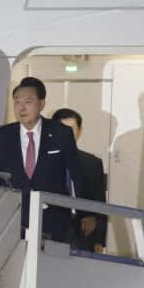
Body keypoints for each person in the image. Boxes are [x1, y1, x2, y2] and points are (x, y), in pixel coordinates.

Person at [0, 77, 82, 241]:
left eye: (28, 102)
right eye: (16, 102)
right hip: (14, 219)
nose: (21, 108)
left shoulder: (61, 133)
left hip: (54, 219)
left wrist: (86, 213)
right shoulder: (0, 136)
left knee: (51, 265)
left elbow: (77, 174)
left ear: (41, 104)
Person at [51, 108, 107, 253]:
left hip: (82, 229)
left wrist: (99, 240)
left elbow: (100, 203)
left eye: (71, 129)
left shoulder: (93, 163)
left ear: (80, 131)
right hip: (49, 227)